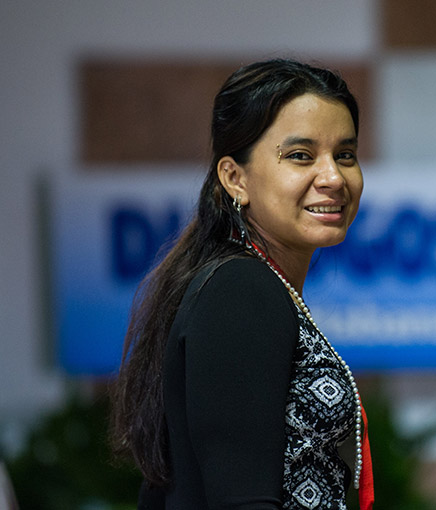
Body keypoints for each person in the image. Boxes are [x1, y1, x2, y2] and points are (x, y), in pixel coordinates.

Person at [109, 58, 373, 510]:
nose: (332, 177)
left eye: (344, 155)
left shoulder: (249, 281)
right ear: (235, 178)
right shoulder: (241, 288)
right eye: (300, 156)